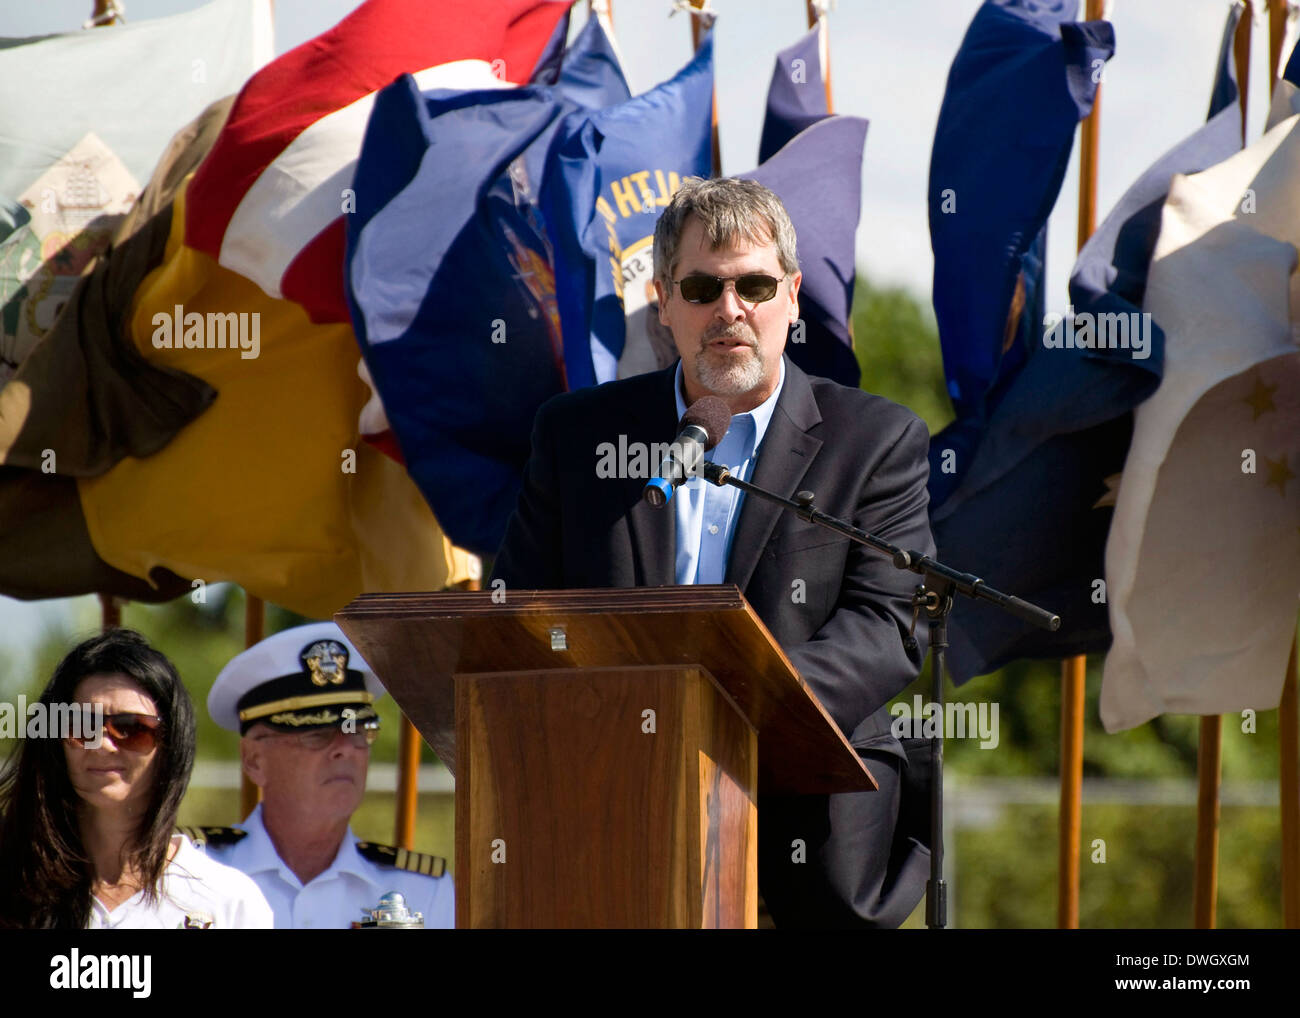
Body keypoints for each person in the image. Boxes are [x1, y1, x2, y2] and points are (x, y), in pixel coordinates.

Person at [492, 176, 935, 928]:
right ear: (663, 303)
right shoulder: (578, 437)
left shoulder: (876, 440)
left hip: (813, 830)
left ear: (792, 297)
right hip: (612, 808)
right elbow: (525, 616)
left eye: (754, 285)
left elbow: (888, 622)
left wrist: (732, 713)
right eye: (702, 287)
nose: (730, 310)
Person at [0, 629, 273, 929]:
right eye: (81, 726)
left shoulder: (228, 901)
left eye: (131, 728)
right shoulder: (11, 886)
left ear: (170, 745)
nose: (102, 743)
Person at [199, 622, 454, 929]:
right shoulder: (189, 875)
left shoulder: (422, 891)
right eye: (317, 733)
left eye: (358, 731)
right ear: (254, 760)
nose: (346, 749)